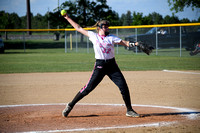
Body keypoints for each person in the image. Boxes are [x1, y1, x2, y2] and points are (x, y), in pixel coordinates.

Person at [61, 12, 140, 117]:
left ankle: (129, 110)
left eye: (108, 26)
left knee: (123, 86)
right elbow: (78, 28)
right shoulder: (93, 36)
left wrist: (136, 44)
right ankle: (70, 105)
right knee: (88, 88)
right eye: (105, 27)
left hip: (112, 66)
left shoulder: (111, 37)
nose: (107, 28)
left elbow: (125, 43)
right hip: (100, 66)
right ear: (99, 28)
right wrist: (68, 18)